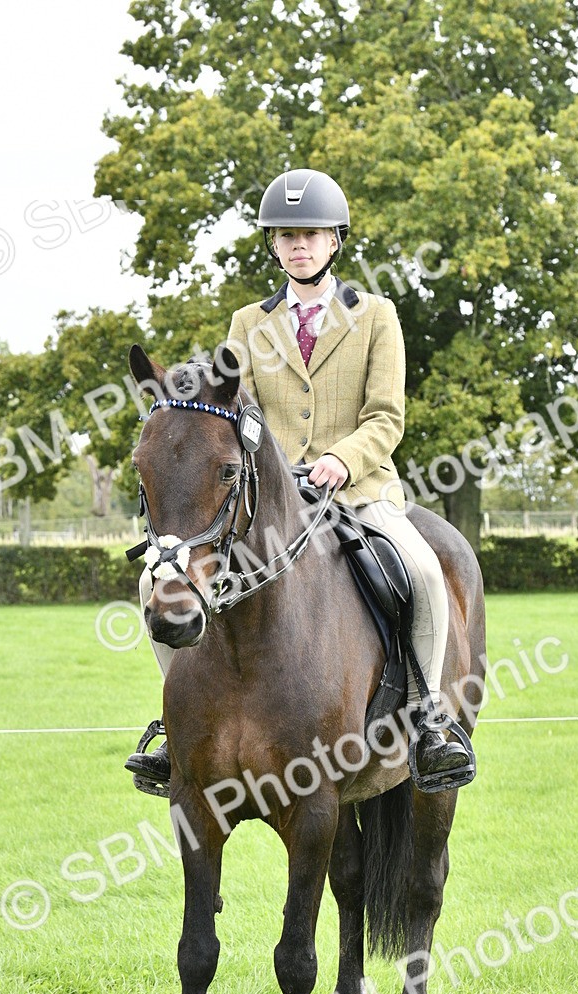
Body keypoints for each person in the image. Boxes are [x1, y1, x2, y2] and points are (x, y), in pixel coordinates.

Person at [126, 168, 474, 791]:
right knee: (165, 578)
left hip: (361, 490)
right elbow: (240, 415)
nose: (298, 246)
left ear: (335, 240)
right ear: (274, 245)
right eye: (286, 236)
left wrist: (341, 460)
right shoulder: (247, 324)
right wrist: (280, 472)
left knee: (422, 570)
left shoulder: (376, 316)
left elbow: (386, 417)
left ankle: (429, 721)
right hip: (277, 501)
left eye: (310, 235)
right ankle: (173, 725)